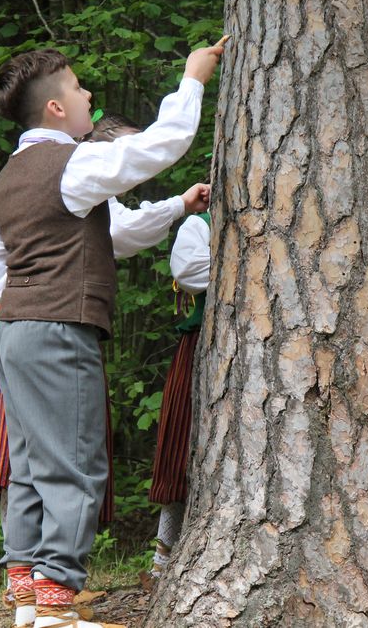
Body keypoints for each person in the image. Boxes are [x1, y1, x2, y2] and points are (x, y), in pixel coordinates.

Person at [0, 40, 223, 628]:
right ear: (56, 108)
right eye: (78, 86)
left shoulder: (7, 181)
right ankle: (57, 602)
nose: (88, 94)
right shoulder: (72, 164)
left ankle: (27, 595)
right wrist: (193, 78)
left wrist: (176, 206)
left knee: (30, 463)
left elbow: (4, 269)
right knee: (76, 463)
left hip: (12, 332)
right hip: (57, 330)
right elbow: (162, 144)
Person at [140, 210, 211, 590]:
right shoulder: (200, 224)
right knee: (182, 447)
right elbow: (189, 272)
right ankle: (162, 561)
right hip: (202, 346)